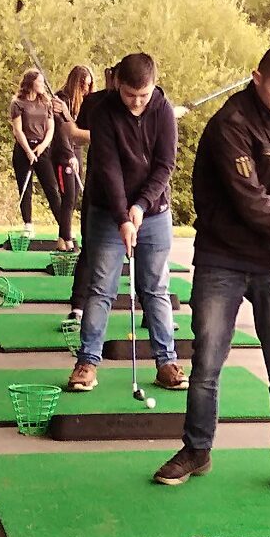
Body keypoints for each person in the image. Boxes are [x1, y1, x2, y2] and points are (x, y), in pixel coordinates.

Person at [153, 44, 270, 493]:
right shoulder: (228, 126)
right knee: (208, 361)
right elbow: (254, 202)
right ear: (256, 77)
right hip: (223, 258)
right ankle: (197, 449)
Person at [66, 53, 188, 392]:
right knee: (101, 289)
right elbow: (108, 168)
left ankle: (167, 363)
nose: (136, 103)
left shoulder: (163, 111)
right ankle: (87, 362)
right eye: (130, 95)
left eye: (143, 96)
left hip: (155, 213)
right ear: (118, 83)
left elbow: (165, 165)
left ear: (153, 85)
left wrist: (141, 206)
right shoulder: (103, 111)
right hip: (108, 213)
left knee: (156, 289)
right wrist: (123, 216)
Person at [9, 68, 60, 237]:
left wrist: (43, 146)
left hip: (42, 149)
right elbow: (18, 130)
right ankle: (28, 224)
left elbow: (51, 127)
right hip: (24, 149)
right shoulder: (18, 103)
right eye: (39, 81)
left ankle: (63, 225)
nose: (42, 84)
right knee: (25, 187)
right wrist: (29, 152)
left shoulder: (46, 103)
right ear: (31, 83)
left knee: (51, 187)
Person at [50, 65, 94, 251]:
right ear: (77, 83)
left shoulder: (83, 102)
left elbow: (79, 128)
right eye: (84, 85)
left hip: (77, 152)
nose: (87, 89)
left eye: (89, 86)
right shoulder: (61, 99)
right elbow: (62, 132)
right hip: (63, 154)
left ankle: (66, 236)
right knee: (67, 197)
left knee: (74, 197)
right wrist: (69, 156)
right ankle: (64, 239)